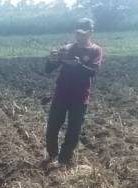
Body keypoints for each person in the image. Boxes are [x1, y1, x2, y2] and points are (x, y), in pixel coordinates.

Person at [43, 17, 103, 169]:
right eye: (78, 33)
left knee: (73, 131)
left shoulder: (95, 50)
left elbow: (92, 73)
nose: (80, 36)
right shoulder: (67, 48)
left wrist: (78, 65)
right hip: (61, 94)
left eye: (83, 33)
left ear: (90, 32)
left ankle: (63, 160)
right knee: (52, 128)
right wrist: (51, 60)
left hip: (80, 96)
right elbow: (49, 69)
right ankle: (52, 156)